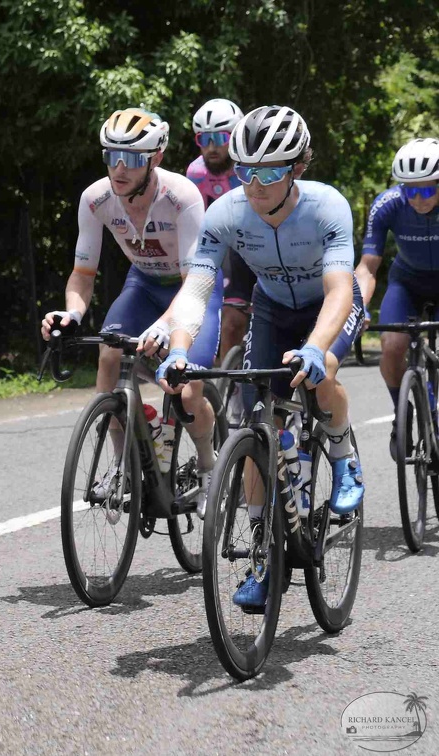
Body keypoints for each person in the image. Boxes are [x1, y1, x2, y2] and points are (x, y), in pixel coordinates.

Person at [156, 105, 365, 609]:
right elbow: (198, 287)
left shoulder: (327, 206)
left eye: (269, 172)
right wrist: (179, 349)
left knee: (324, 372)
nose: (255, 184)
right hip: (271, 306)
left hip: (328, 305)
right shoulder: (226, 211)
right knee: (260, 426)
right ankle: (262, 558)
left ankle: (342, 454)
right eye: (247, 170)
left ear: (297, 168)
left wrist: (316, 347)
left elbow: (340, 289)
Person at [41, 107, 222, 503]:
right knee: (109, 354)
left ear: (155, 158)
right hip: (143, 284)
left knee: (187, 389)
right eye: (111, 157)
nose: (119, 169)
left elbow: (194, 282)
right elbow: (83, 275)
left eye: (133, 159)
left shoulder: (181, 196)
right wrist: (71, 314)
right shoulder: (96, 198)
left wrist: (164, 325)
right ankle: (121, 467)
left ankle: (210, 465)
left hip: (192, 287)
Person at [354, 137, 439, 456]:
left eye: (427, 190)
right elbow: (367, 267)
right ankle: (402, 414)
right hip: (408, 281)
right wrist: (358, 305)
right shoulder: (387, 203)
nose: (417, 198)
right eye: (409, 189)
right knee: (391, 346)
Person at [187, 98, 255, 362]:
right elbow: (198, 225)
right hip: (227, 251)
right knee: (229, 322)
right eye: (204, 140)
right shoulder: (196, 172)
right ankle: (229, 391)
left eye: (219, 138)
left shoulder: (251, 168)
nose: (212, 147)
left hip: (262, 248)